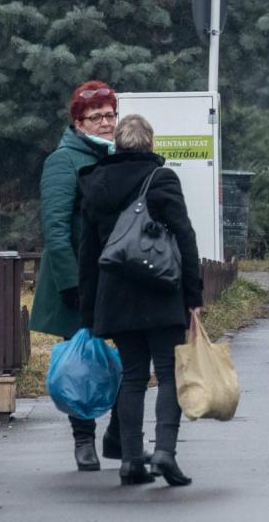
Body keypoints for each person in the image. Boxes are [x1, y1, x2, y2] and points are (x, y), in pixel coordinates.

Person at [78, 114, 202, 487]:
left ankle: (132, 460)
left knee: (132, 377)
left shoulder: (96, 181)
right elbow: (184, 236)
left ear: (117, 144)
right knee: (168, 373)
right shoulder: (161, 179)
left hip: (115, 295)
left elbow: (88, 251)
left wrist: (88, 310)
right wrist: (193, 296)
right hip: (161, 291)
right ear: (150, 144)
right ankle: (164, 451)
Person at [31, 80, 126, 473]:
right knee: (82, 364)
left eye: (110, 115)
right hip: (82, 281)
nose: (106, 123)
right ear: (78, 122)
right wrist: (70, 283)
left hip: (118, 277)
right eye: (96, 117)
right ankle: (83, 438)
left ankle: (119, 432)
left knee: (126, 357)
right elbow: (54, 227)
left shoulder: (117, 156)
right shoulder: (63, 160)